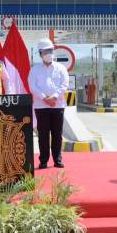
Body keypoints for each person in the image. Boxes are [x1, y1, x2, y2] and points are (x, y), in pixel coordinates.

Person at [28, 38, 69, 169]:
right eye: (45, 51)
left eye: (50, 51)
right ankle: (43, 160)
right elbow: (32, 86)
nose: (48, 53)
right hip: (41, 107)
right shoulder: (34, 69)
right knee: (43, 135)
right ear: (40, 54)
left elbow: (64, 84)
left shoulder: (61, 68)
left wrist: (55, 97)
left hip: (58, 106)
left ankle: (57, 159)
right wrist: (45, 98)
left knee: (57, 134)